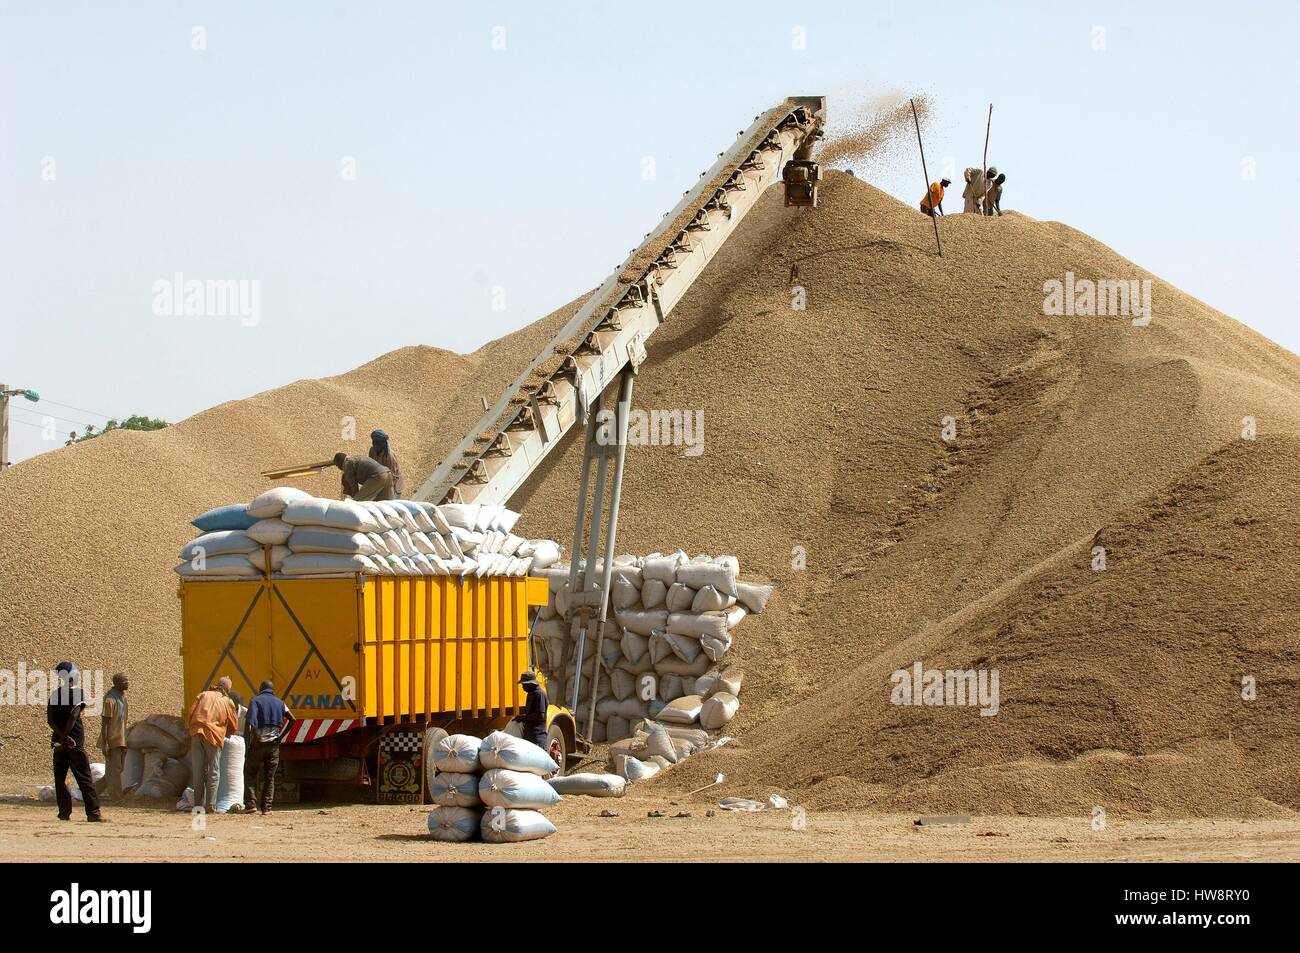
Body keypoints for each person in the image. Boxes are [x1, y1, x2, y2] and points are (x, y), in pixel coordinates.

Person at [47, 662, 104, 822]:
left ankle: (64, 813)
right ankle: (93, 813)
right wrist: (68, 738)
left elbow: (50, 721)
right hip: (74, 742)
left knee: (60, 778)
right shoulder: (78, 694)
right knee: (84, 777)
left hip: (58, 743)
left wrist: (60, 738)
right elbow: (73, 717)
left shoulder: (54, 695)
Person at [241, 680, 294, 815]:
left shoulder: (256, 701)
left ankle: (251, 805)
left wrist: (254, 739)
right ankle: (267, 808)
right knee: (270, 777)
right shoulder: (280, 703)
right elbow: (293, 719)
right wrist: (281, 737)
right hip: (273, 746)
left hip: (258, 745)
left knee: (250, 773)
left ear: (260, 689)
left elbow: (251, 723)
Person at [186, 676, 238, 814]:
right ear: (227, 689)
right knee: (213, 772)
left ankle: (197, 805)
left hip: (196, 733)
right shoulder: (227, 702)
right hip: (213, 736)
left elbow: (190, 713)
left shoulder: (203, 695)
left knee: (198, 771)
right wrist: (228, 733)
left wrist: (191, 729)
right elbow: (233, 724)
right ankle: (210, 806)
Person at [96, 672, 129, 801]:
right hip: (112, 740)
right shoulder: (110, 700)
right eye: (125, 681)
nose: (127, 683)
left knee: (117, 770)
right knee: (114, 771)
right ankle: (117, 798)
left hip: (121, 739)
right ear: (117, 683)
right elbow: (104, 723)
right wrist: (105, 743)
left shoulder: (123, 698)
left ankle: (93, 791)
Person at [514, 672, 549, 752]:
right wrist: (522, 717)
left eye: (524, 684)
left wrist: (523, 718)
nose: (522, 687)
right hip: (530, 735)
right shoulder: (531, 694)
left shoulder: (539, 694)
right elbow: (531, 714)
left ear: (530, 684)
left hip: (537, 737)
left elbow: (540, 715)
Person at [368, 430, 405, 498]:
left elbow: (392, 477)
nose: (374, 444)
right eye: (374, 442)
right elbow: (370, 466)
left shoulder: (389, 457)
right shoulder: (372, 450)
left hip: (394, 484)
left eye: (377, 443)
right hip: (379, 480)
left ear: (383, 444)